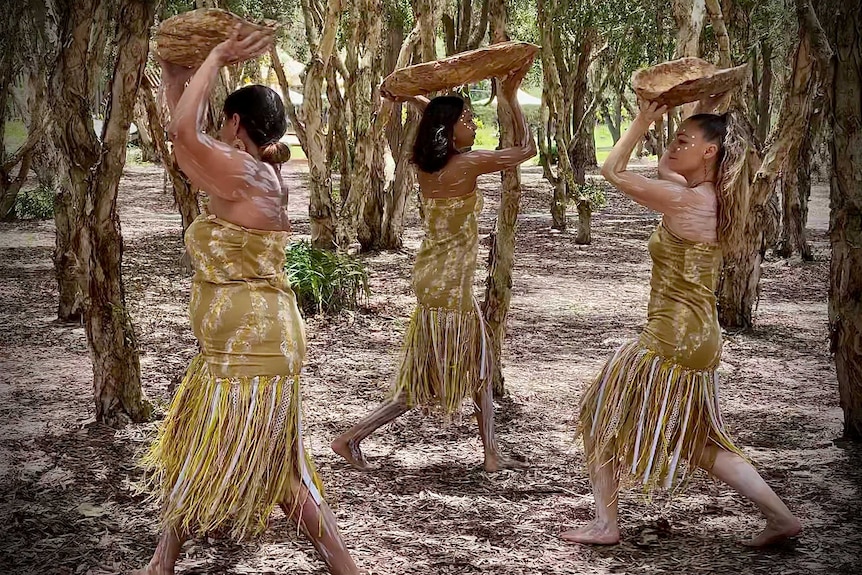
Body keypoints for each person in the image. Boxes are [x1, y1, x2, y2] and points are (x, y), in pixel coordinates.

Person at [134, 27, 361, 575]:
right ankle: (163, 559)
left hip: (252, 345)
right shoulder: (251, 170)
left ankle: (344, 566)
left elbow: (182, 133)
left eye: (224, 120)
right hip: (248, 340)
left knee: (278, 471)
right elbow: (185, 134)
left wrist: (213, 57)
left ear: (235, 124)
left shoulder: (242, 172)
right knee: (199, 440)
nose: (217, 128)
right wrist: (176, 73)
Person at [561, 97, 801, 547]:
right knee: (697, 440)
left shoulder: (684, 199)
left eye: (682, 140)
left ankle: (606, 524)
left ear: (710, 152)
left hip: (670, 337)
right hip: (701, 338)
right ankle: (780, 517)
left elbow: (612, 171)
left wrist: (642, 120)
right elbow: (669, 173)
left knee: (599, 417)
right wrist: (698, 112)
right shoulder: (712, 195)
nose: (671, 146)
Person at [332, 66, 536, 473]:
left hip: (437, 278)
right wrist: (510, 96)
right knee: (423, 382)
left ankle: (490, 453)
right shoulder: (468, 164)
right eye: (467, 120)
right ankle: (350, 437)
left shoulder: (430, 164)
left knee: (477, 365)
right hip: (450, 286)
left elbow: (434, 117)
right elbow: (527, 151)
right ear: (449, 130)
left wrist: (414, 99)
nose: (474, 125)